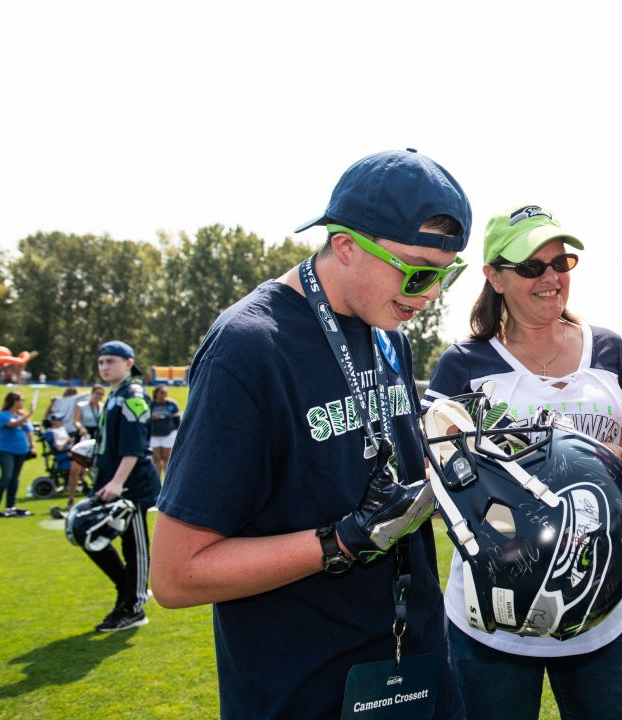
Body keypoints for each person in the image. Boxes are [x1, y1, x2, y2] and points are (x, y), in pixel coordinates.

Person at [150, 149, 472, 719]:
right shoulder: (248, 348)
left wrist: (465, 472)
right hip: (303, 688)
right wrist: (341, 540)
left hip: (413, 667)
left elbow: (379, 477)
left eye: (447, 274)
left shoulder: (387, 330)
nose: (430, 296)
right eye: (418, 271)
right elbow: (176, 576)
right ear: (346, 244)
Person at [422, 204, 622, 720]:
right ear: (494, 277)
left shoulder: (609, 350)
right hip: (492, 622)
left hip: (599, 612)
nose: (550, 278)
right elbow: (440, 488)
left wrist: (608, 459)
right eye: (531, 267)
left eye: (560, 263)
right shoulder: (464, 364)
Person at [82, 340, 161, 632]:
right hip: (110, 482)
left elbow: (134, 447)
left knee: (134, 546)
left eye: (110, 361)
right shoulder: (114, 395)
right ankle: (128, 589)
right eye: (101, 362)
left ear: (129, 363)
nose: (104, 367)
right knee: (84, 532)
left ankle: (133, 606)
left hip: (130, 486)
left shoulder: (133, 395)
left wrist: (117, 481)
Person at [0, 392, 35, 517]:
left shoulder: (21, 415)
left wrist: (32, 445)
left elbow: (29, 431)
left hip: (20, 450)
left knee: (14, 478)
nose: (22, 403)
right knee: (6, 476)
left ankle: (10, 506)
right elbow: (13, 424)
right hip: (6, 450)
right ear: (13, 401)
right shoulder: (3, 415)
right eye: (20, 400)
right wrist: (29, 414)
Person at [148, 386, 181, 479]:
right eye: (162, 392)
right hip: (154, 435)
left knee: (166, 458)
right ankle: (157, 480)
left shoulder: (171, 404)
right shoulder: (151, 404)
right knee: (156, 458)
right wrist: (151, 417)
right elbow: (144, 419)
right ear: (156, 393)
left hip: (168, 434)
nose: (164, 394)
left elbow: (177, 419)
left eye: (165, 392)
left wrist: (175, 431)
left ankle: (167, 481)